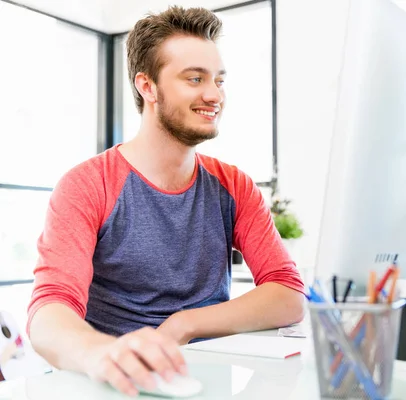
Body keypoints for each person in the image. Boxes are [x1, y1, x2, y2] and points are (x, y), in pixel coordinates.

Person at [26, 6, 305, 397]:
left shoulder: (234, 185)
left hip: (204, 382)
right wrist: (102, 353)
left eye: (218, 80)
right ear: (148, 86)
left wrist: (185, 323)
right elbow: (49, 312)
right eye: (195, 79)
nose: (214, 95)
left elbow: (288, 294)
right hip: (115, 383)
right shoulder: (87, 185)